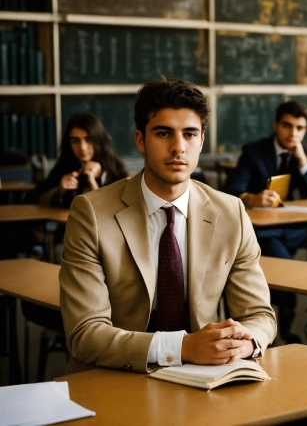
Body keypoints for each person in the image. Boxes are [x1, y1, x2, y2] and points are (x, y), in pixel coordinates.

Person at [60, 78, 277, 375]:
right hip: (115, 375)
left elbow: (259, 315)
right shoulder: (92, 214)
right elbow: (84, 334)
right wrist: (183, 348)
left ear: (201, 141)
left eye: (189, 134)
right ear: (140, 140)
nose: (178, 147)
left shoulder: (231, 212)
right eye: (164, 133)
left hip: (205, 377)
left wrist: (245, 343)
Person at [223, 100, 307, 345]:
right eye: (287, 126)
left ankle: (292, 311)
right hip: (263, 228)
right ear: (275, 125)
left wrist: (302, 161)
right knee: (272, 246)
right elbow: (231, 190)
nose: (293, 133)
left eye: (300, 128)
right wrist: (252, 198)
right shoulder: (254, 152)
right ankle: (284, 319)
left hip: (289, 229)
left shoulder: (300, 151)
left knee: (284, 243)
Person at [27, 112, 129, 208]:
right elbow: (32, 198)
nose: (82, 147)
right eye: (75, 141)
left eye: (88, 140)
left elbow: (119, 208)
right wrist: (59, 191)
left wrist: (92, 181)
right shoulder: (66, 164)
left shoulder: (114, 166)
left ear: (99, 140)